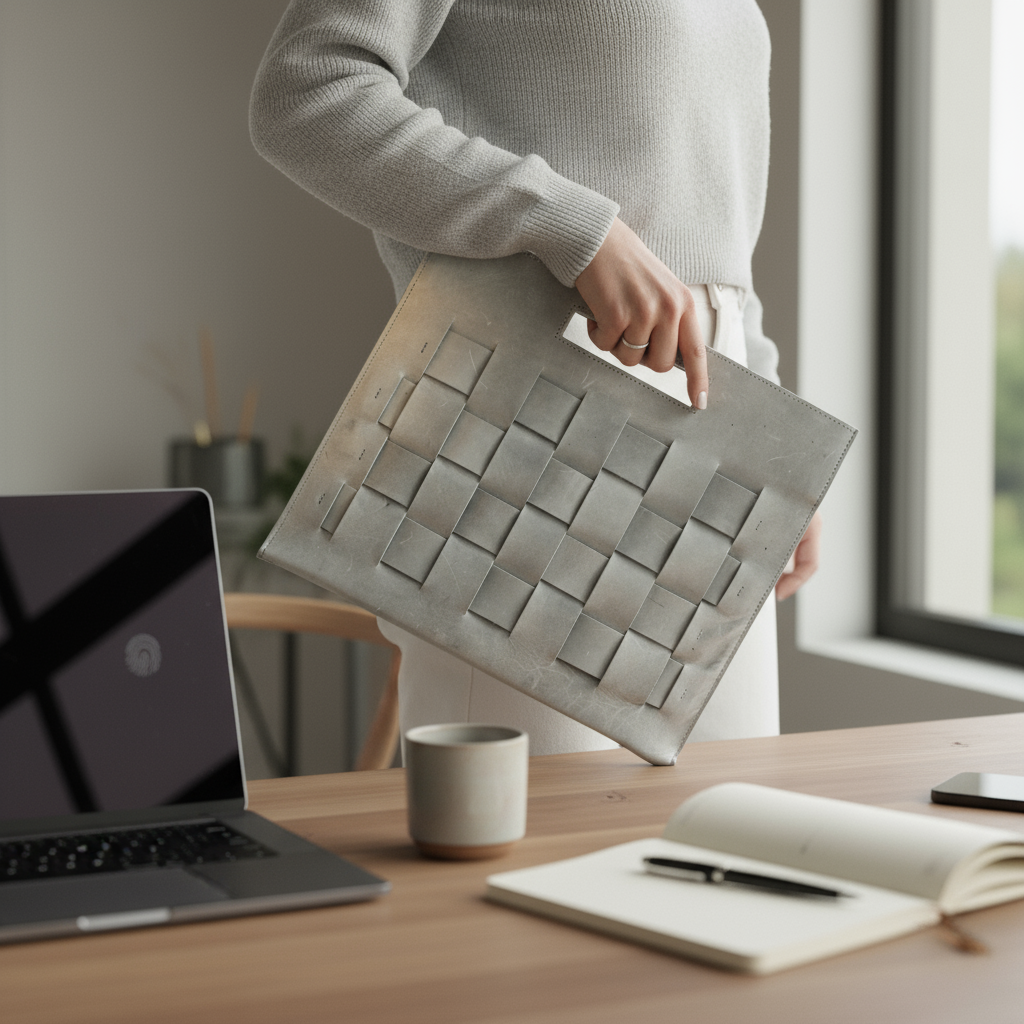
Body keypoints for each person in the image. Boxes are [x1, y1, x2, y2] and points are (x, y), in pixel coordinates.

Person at [250, 0, 821, 754]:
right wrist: (572, 228)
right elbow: (306, 89)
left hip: (711, 458)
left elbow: (717, 239)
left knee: (720, 835)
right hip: (528, 423)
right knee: (524, 844)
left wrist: (780, 450)